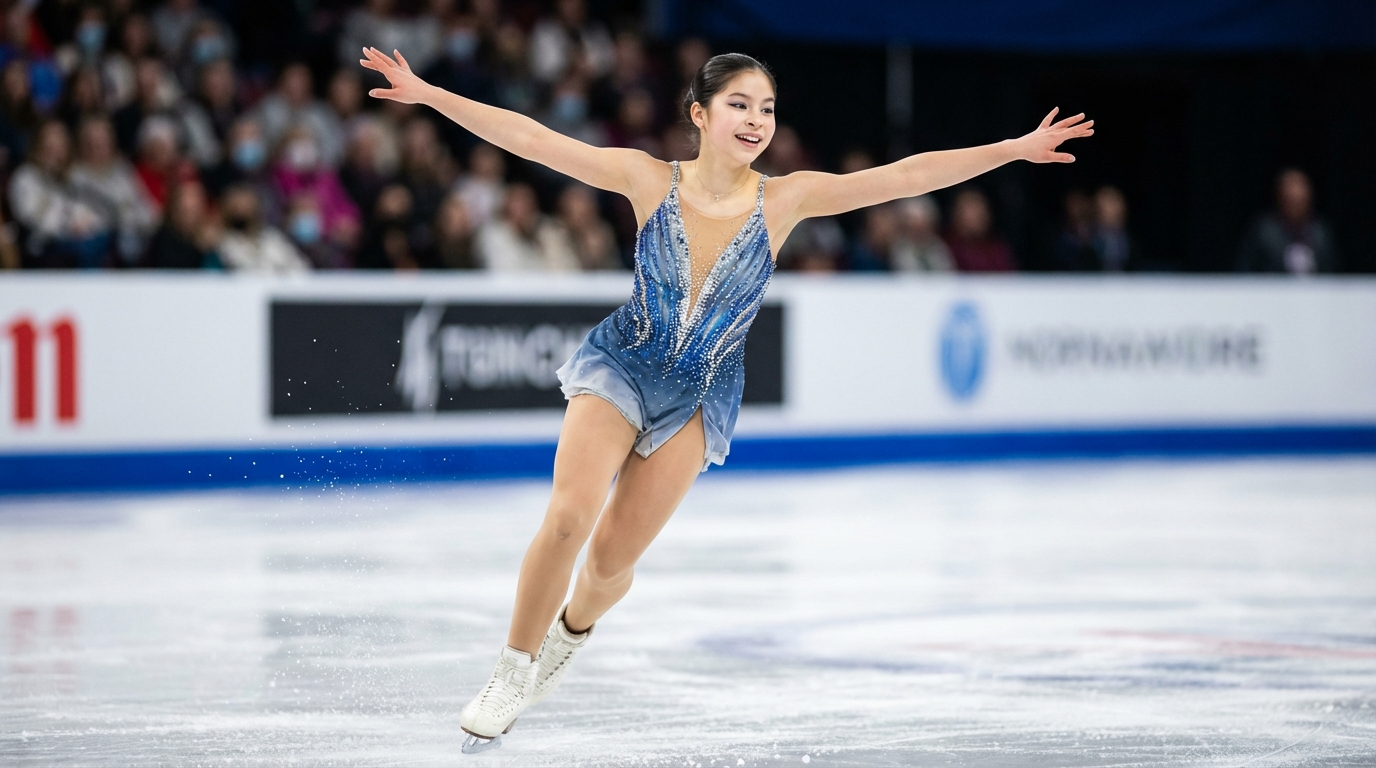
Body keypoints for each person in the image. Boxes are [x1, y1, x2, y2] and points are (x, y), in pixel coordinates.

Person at [359, 45, 1090, 751]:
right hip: (623, 364)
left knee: (611, 562)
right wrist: (428, 95)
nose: (756, 119)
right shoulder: (647, 178)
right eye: (738, 103)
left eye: (766, 108)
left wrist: (1011, 148)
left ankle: (570, 633)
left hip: (702, 394)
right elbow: (530, 137)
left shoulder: (786, 198)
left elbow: (903, 178)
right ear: (699, 114)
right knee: (568, 518)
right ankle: (509, 671)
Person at [1237, 168, 1339, 274]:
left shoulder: (1320, 232)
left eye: (1300, 201)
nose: (1296, 205)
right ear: (1280, 198)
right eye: (1291, 200)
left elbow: (1332, 270)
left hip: (1315, 289)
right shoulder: (1264, 232)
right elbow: (1246, 270)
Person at [216, 184, 309, 273]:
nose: (241, 209)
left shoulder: (272, 238)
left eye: (246, 204)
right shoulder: (221, 242)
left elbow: (300, 268)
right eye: (236, 205)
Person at [946, 187, 1015, 272]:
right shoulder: (945, 248)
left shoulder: (997, 250)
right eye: (968, 213)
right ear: (956, 215)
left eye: (978, 215)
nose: (973, 218)